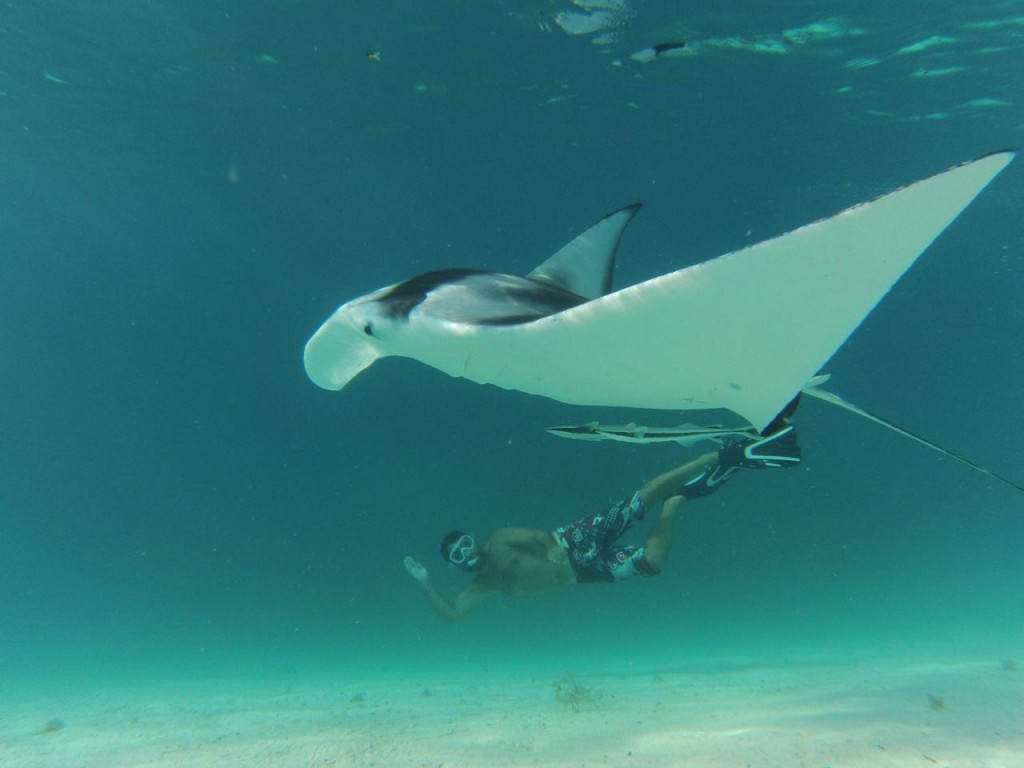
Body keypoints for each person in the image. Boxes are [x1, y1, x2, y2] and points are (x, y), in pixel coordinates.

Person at [403, 423, 802, 621]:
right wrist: (424, 584)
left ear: (472, 540)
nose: (467, 552)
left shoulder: (500, 539)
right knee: (652, 563)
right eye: (459, 554)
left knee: (638, 501)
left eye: (465, 544)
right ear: (454, 564)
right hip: (583, 574)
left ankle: (718, 457)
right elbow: (452, 614)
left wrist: (554, 548)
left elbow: (538, 536)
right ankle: (676, 501)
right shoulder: (482, 587)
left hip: (573, 541)